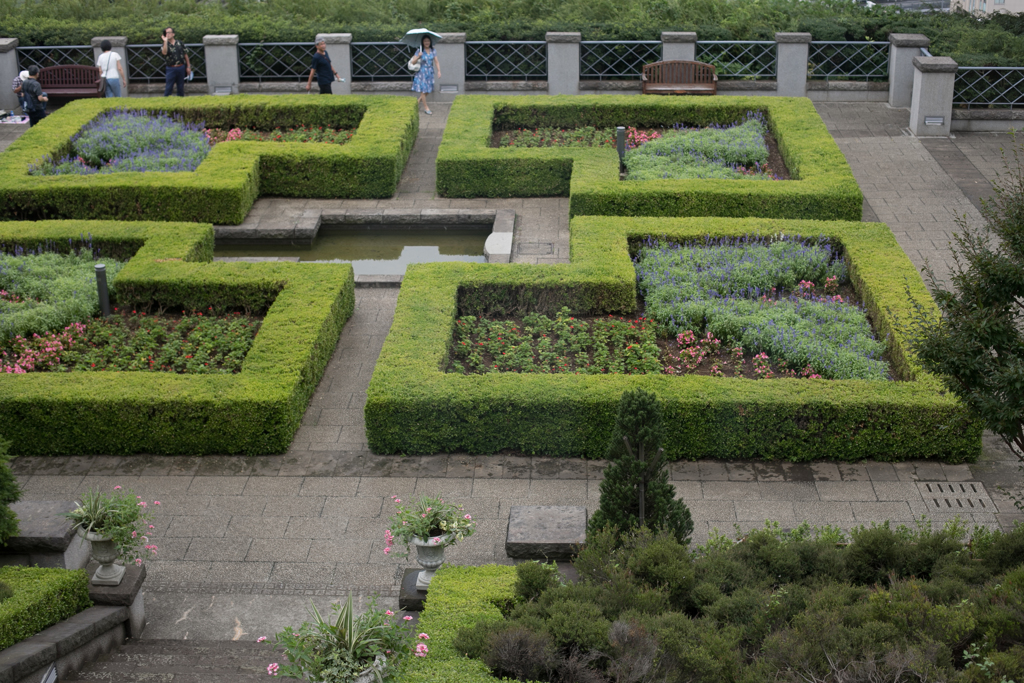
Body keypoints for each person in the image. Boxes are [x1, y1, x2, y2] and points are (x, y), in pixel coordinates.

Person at [410, 35, 440, 115]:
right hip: (422, 73)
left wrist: (439, 71)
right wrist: (418, 56)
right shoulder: (419, 51)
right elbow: (413, 62)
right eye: (425, 41)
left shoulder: (433, 50)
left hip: (430, 72)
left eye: (428, 41)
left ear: (430, 42)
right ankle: (426, 108)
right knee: (423, 90)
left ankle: (417, 102)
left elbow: (436, 61)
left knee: (429, 89)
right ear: (422, 42)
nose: (427, 42)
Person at [160, 27, 191, 97]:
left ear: (173, 34)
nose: (167, 34)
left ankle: (180, 102)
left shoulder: (180, 43)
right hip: (170, 68)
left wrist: (188, 66)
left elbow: (185, 54)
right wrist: (165, 41)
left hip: (181, 67)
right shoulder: (165, 44)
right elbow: (164, 53)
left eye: (169, 32)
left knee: (181, 87)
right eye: (166, 33)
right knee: (169, 87)